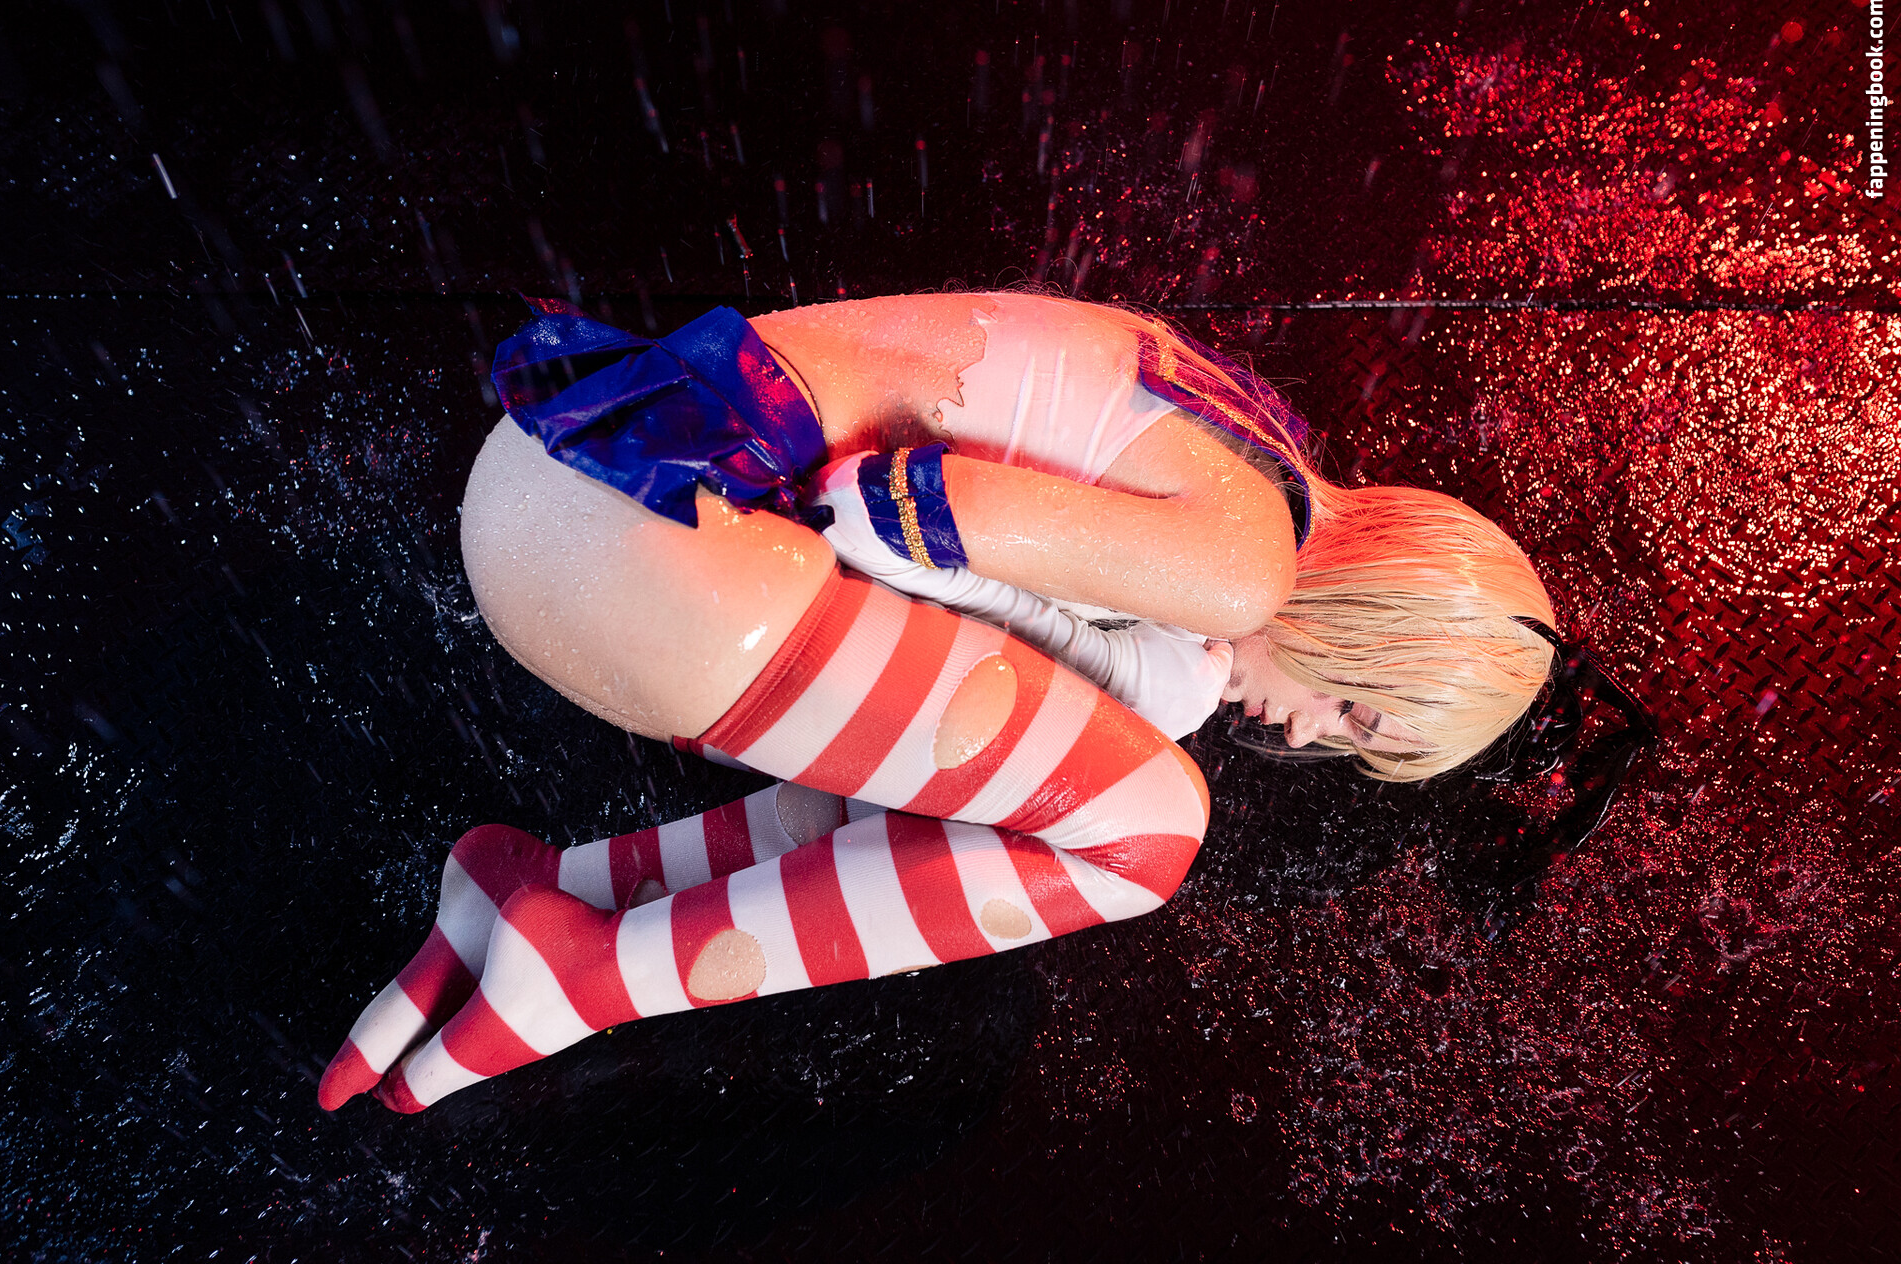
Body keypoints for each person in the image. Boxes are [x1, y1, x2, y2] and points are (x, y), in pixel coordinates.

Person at [316, 291, 1560, 1114]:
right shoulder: (1246, 563)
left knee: (965, 796)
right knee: (1147, 828)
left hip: (560, 483)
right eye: (1358, 713)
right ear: (1381, 632)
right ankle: (601, 973)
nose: (1309, 733)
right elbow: (883, 509)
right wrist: (1129, 690)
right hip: (655, 548)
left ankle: (549, 890)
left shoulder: (1229, 433)